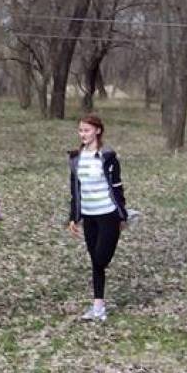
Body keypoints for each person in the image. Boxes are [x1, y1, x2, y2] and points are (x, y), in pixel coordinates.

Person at [67, 114, 128, 321]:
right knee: (95, 262)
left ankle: (98, 307)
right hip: (89, 215)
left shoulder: (107, 157)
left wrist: (122, 215)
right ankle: (98, 308)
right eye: (80, 130)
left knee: (101, 259)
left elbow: (117, 187)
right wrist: (73, 217)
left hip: (108, 214)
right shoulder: (76, 159)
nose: (82, 134)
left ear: (98, 131)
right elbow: (75, 190)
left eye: (86, 130)